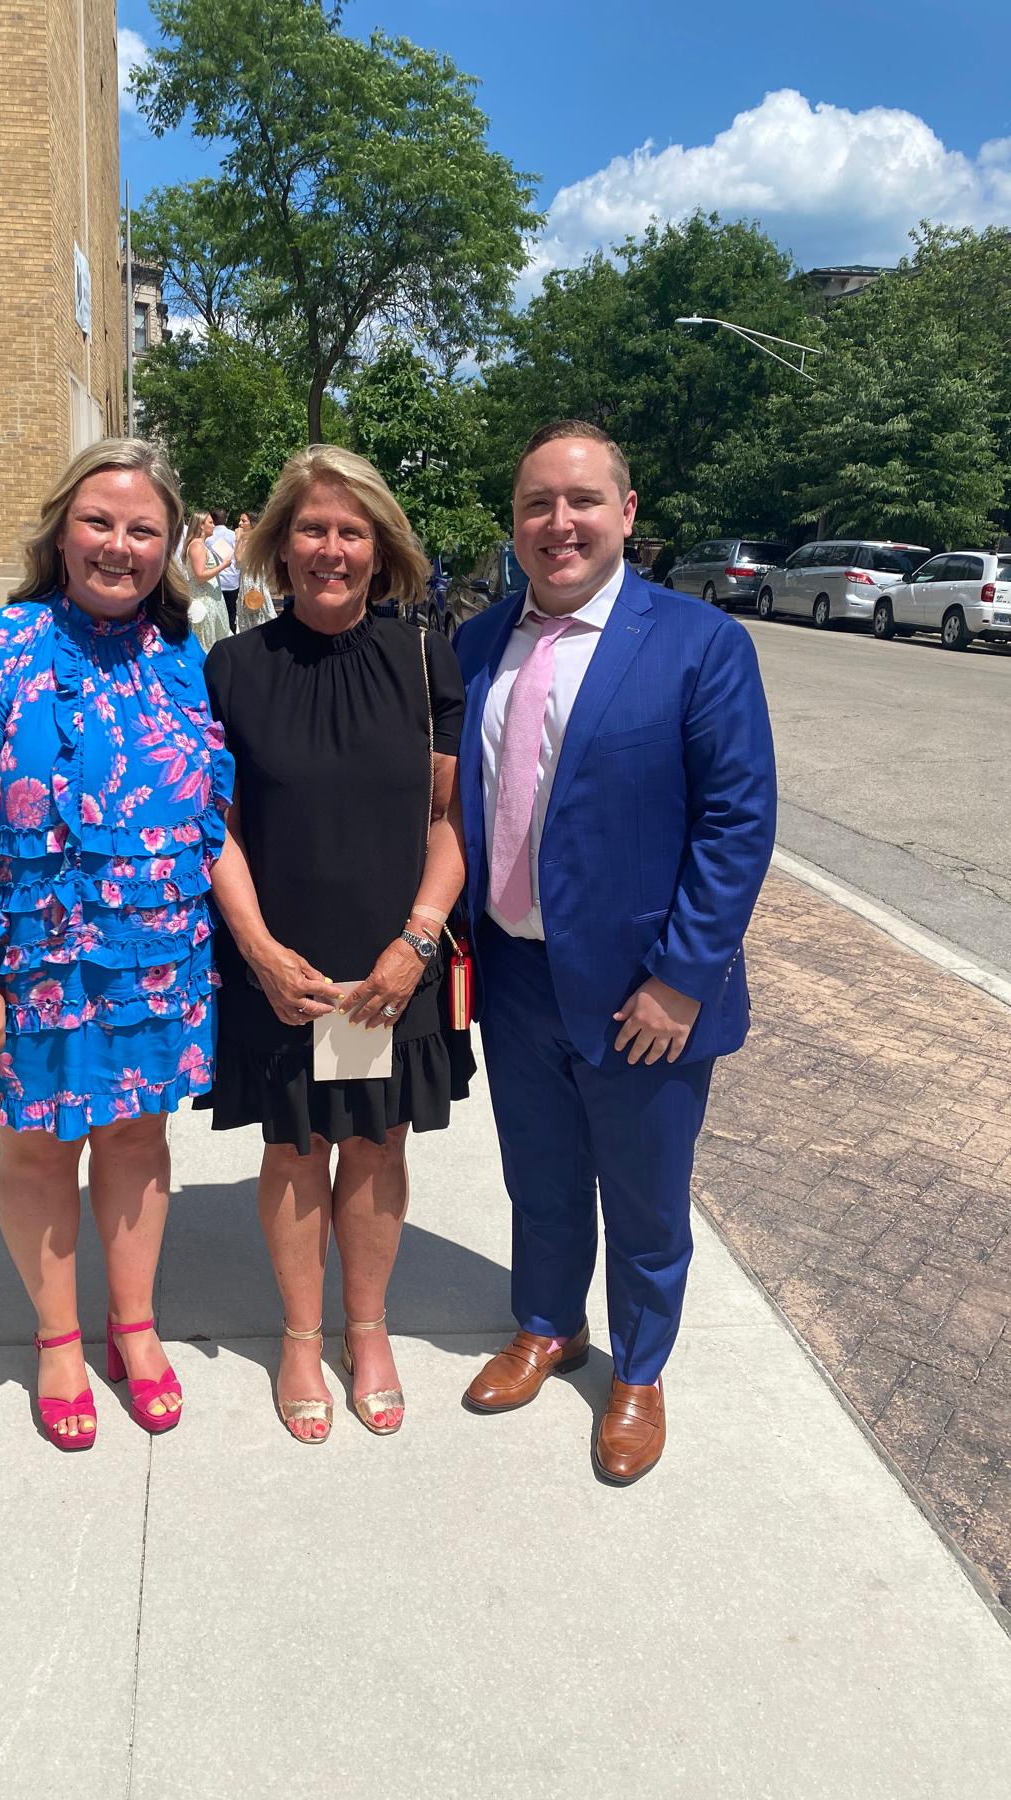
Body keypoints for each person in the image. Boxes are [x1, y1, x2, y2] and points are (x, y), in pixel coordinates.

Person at [0, 439, 233, 1449]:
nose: (118, 546)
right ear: (60, 530)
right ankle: (56, 1337)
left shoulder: (180, 659)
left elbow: (210, 810)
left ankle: (134, 1327)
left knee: (136, 1137)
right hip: (25, 968)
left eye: (142, 530)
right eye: (99, 522)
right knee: (39, 1152)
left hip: (153, 958)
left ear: (169, 546)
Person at [453, 420, 776, 1484]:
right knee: (539, 1177)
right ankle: (550, 1325)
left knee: (644, 1198)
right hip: (513, 973)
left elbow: (737, 822)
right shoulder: (476, 642)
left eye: (582, 501)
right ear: (514, 523)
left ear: (626, 514)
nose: (560, 523)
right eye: (537, 503)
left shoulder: (698, 643)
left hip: (643, 995)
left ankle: (638, 1369)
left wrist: (683, 981)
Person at [203, 446, 474, 1443]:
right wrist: (261, 952)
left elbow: (450, 823)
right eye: (311, 529)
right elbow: (214, 827)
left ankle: (368, 1330)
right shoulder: (235, 669)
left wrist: (415, 942)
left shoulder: (422, 656)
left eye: (351, 531)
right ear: (277, 544)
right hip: (289, 971)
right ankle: (300, 1338)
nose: (331, 548)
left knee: (369, 1139)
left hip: (380, 967)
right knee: (295, 1144)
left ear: (380, 547)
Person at [185, 509, 233, 650]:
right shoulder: (197, 546)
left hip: (211, 599)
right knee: (206, 642)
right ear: (201, 525)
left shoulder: (201, 545)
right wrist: (223, 566)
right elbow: (200, 576)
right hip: (204, 601)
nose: (213, 525)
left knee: (215, 639)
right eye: (210, 522)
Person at [231, 510, 276, 631]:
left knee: (257, 608)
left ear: (252, 523)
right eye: (240, 520)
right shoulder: (246, 539)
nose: (240, 523)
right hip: (246, 579)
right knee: (247, 611)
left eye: (244, 521)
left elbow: (240, 559)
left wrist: (238, 539)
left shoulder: (255, 540)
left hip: (254, 580)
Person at [208, 506, 241, 631]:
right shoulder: (233, 535)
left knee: (217, 615)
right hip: (232, 580)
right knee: (231, 613)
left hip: (215, 581)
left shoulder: (208, 538)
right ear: (226, 519)